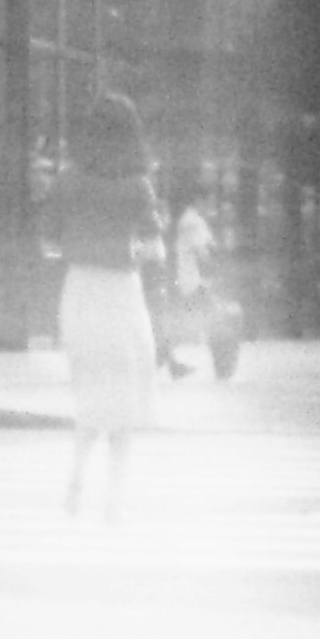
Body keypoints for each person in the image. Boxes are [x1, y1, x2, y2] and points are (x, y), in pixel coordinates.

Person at [41, 93, 164, 520]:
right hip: (120, 292)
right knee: (123, 400)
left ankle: (75, 483)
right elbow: (153, 250)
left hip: (79, 291)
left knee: (89, 394)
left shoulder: (69, 179)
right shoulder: (138, 185)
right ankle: (114, 498)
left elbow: (50, 240)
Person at [154, 180, 216, 378]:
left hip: (186, 278)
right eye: (208, 201)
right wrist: (213, 272)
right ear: (199, 200)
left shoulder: (190, 219)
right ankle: (163, 357)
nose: (210, 206)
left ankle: (167, 360)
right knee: (206, 318)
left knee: (186, 320)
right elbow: (202, 253)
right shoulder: (193, 221)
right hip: (192, 280)